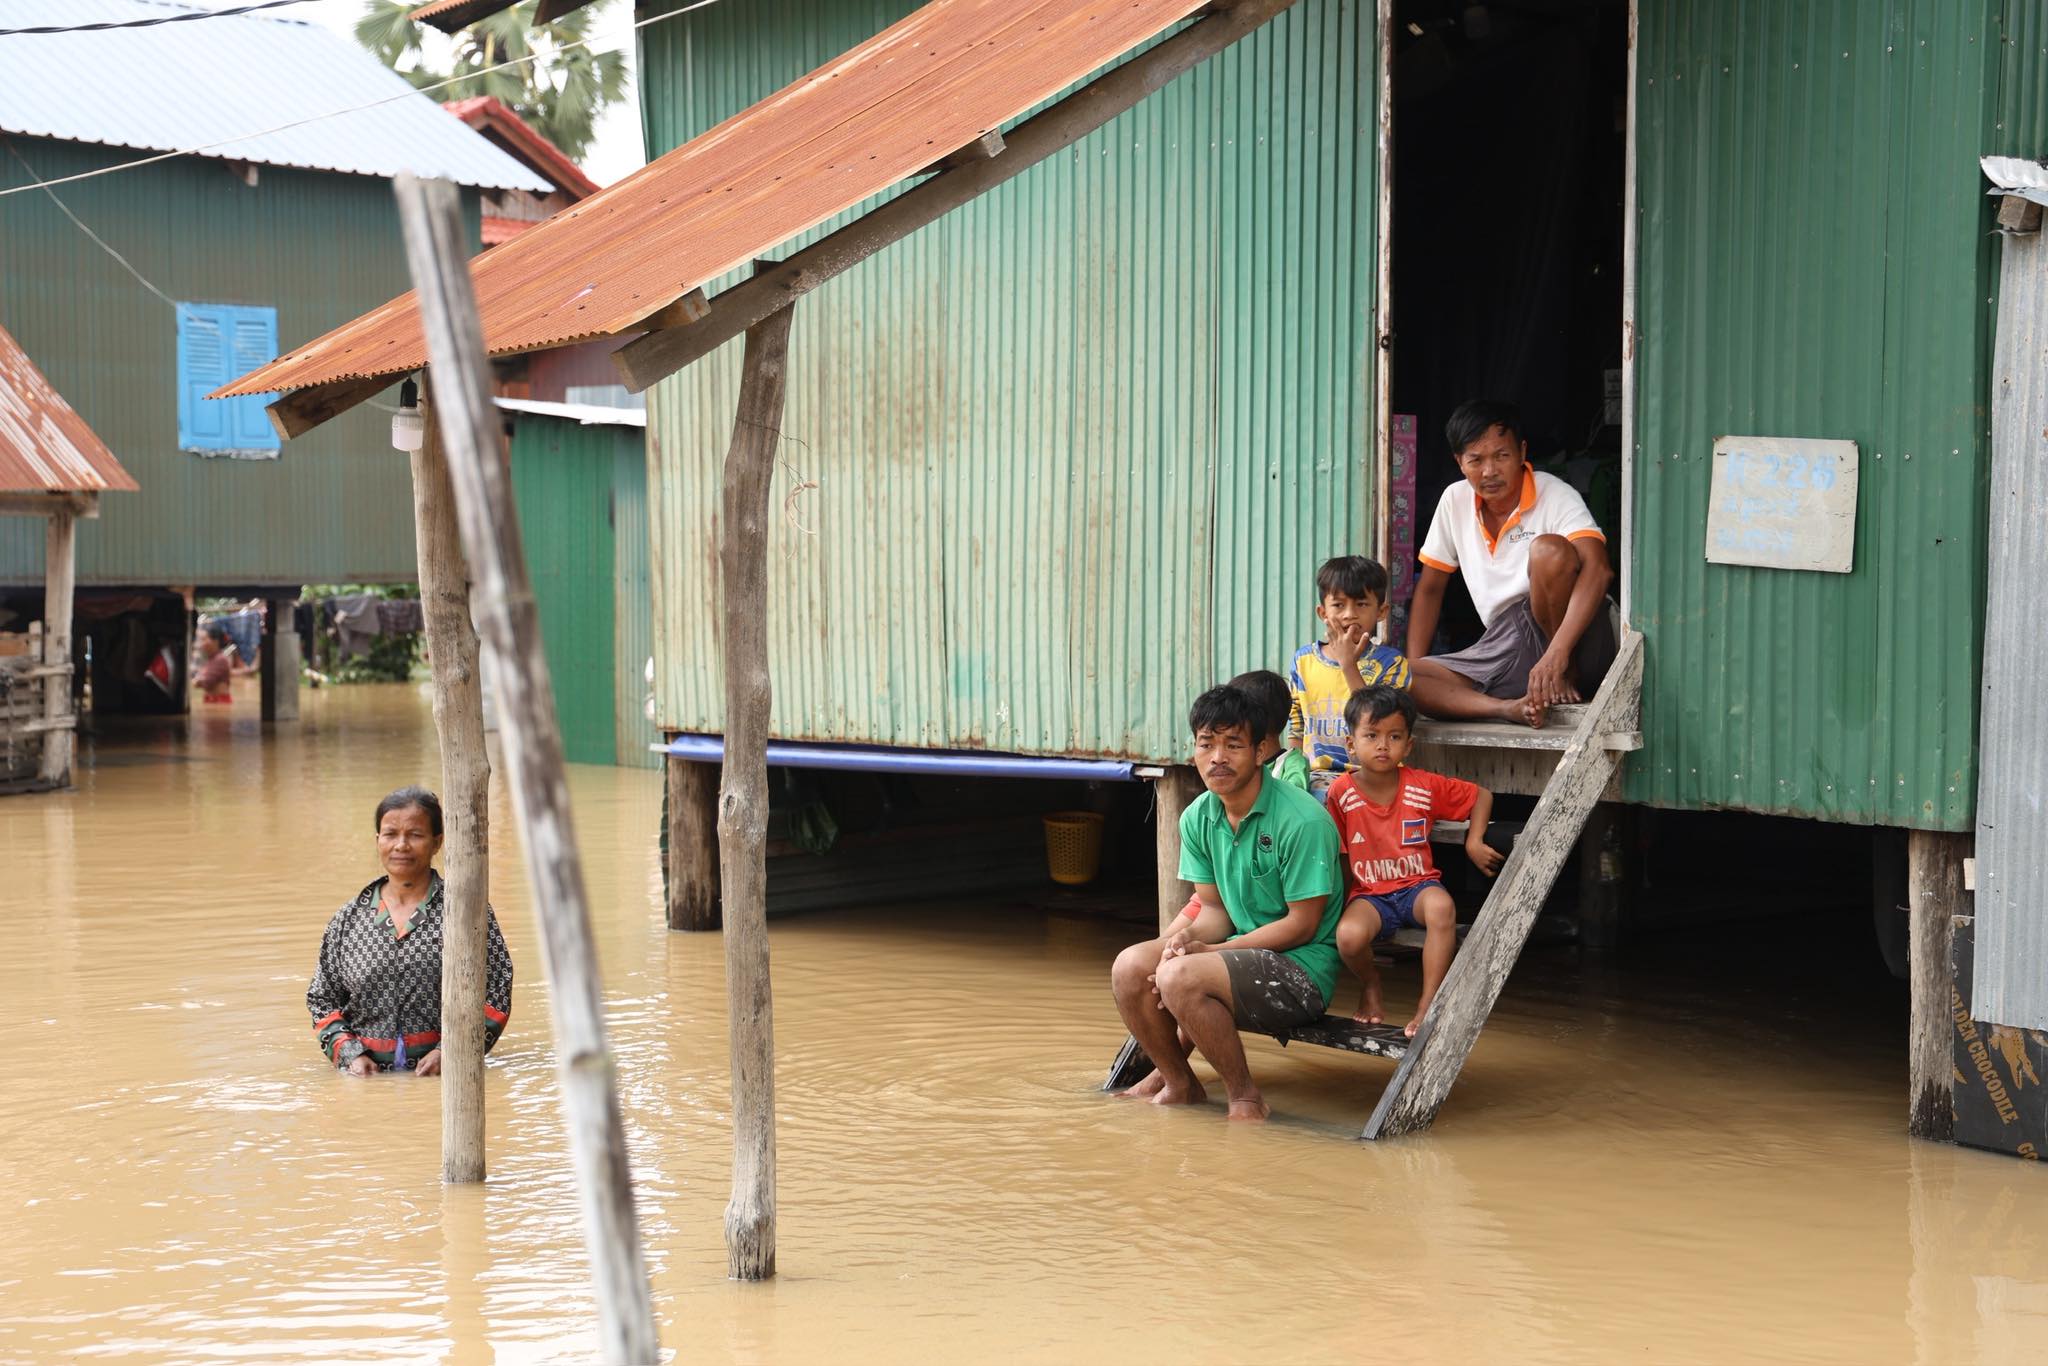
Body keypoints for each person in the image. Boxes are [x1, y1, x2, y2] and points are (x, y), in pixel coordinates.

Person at [1108, 685, 1345, 1121]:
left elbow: (1302, 926)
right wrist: (1185, 938)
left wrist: (1206, 953)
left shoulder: (1302, 820)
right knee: (1129, 967)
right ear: (1194, 750)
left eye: (1233, 744)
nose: (1218, 756)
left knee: (1179, 976)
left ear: (1260, 752)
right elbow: (1213, 911)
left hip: (1300, 969)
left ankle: (1245, 1098)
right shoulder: (1198, 815)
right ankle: (1180, 1083)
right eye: (1207, 744)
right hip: (1234, 956)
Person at [1407, 400, 1615, 727]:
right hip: (1506, 640)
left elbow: (1599, 569)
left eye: (1501, 456)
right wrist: (1417, 664)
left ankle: (1563, 671)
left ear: (1521, 452)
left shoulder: (1554, 493)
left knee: (1548, 551)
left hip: (1578, 636)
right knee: (1399, 677)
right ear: (1459, 461)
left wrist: (1557, 655)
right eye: (1475, 459)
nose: (1489, 471)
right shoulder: (1454, 500)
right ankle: (1506, 709)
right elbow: (1430, 588)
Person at [1326, 687, 1502, 1036]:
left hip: (1417, 887)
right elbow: (1341, 855)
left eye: (1394, 737)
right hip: (1369, 895)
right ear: (1351, 744)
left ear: (1408, 745)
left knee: (1442, 908)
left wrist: (1474, 840)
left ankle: (1428, 1003)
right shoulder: (1340, 794)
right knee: (1347, 936)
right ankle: (1371, 984)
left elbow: (1481, 795)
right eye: (1371, 736)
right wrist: (1339, 905)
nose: (1382, 745)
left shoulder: (1422, 785)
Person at [307, 786, 513, 1075]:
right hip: (365, 1080)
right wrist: (350, 1054)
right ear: (378, 840)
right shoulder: (347, 919)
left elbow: (497, 988)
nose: (401, 845)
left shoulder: (465, 911)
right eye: (390, 834)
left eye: (415, 835)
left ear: (437, 842)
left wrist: (450, 1052)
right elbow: (321, 998)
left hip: (446, 1076)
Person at [1289, 555, 1410, 797]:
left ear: (1382, 611)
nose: (1349, 615)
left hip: (1374, 775)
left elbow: (1379, 718)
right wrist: (1292, 778)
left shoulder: (1392, 663)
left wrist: (1347, 663)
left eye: (1362, 604)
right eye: (1338, 605)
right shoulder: (1304, 661)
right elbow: (1296, 726)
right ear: (1322, 612)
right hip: (1317, 777)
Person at [191, 623, 251, 705]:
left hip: (219, 702)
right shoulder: (211, 659)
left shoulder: (220, 659)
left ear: (215, 641)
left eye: (204, 639)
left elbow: (207, 682)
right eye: (200, 640)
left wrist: (196, 681)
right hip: (212, 702)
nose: (201, 644)